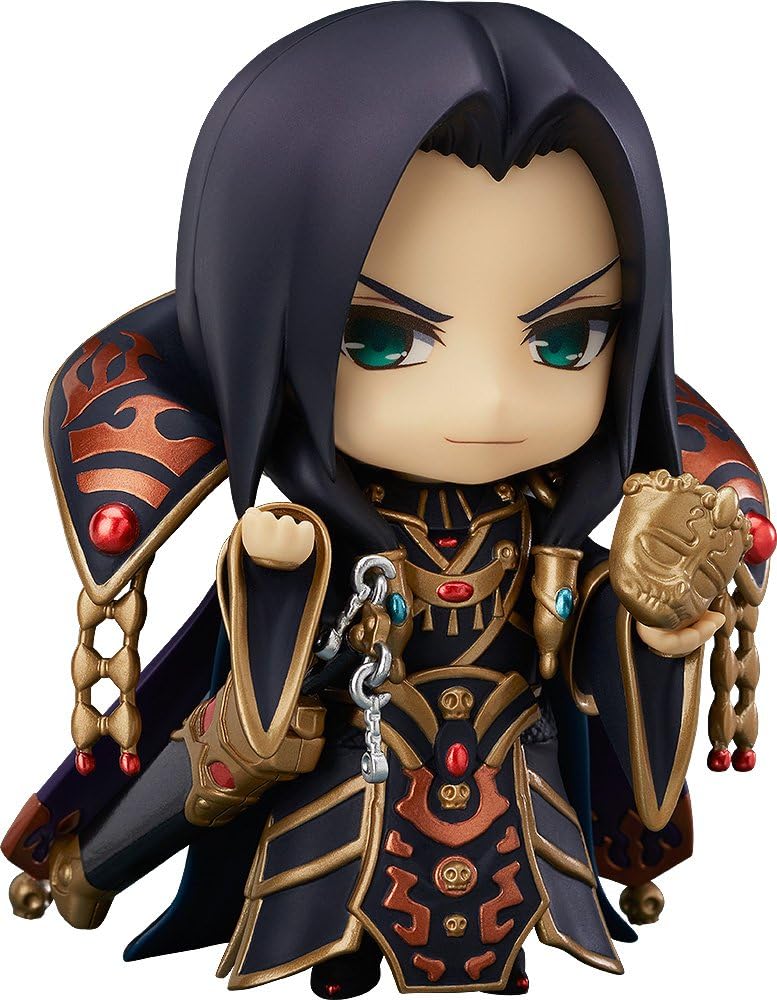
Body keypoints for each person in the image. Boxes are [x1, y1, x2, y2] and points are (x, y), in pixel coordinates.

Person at [3, 4, 772, 996]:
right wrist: (279, 580)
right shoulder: (314, 537)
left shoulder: (546, 544)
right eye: (381, 339)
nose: (488, 399)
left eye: (565, 340)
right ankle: (104, 872)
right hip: (344, 826)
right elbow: (251, 709)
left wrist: (656, 626)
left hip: (517, 820)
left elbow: (628, 751)